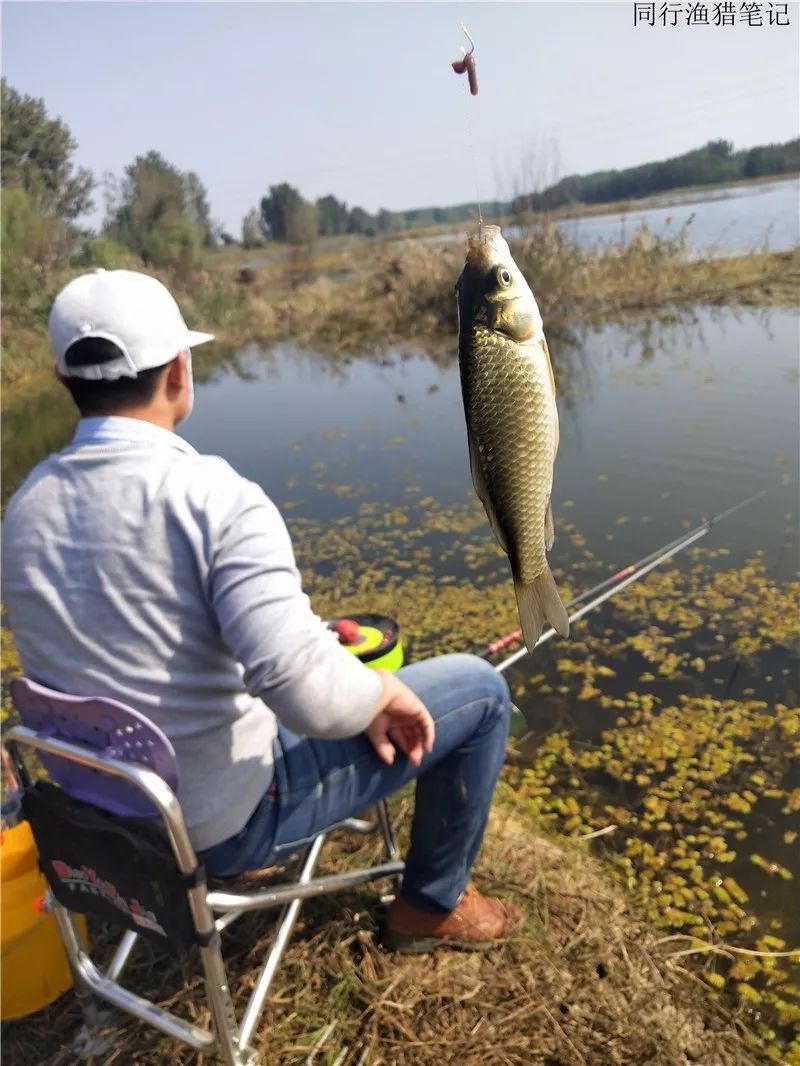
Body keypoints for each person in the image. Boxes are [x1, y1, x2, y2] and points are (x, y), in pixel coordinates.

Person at [2, 269, 521, 953]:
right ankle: (428, 908)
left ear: (65, 382)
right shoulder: (216, 499)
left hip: (109, 817)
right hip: (219, 827)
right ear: (180, 371)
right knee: (481, 693)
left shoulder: (22, 509)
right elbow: (313, 702)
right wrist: (381, 691)